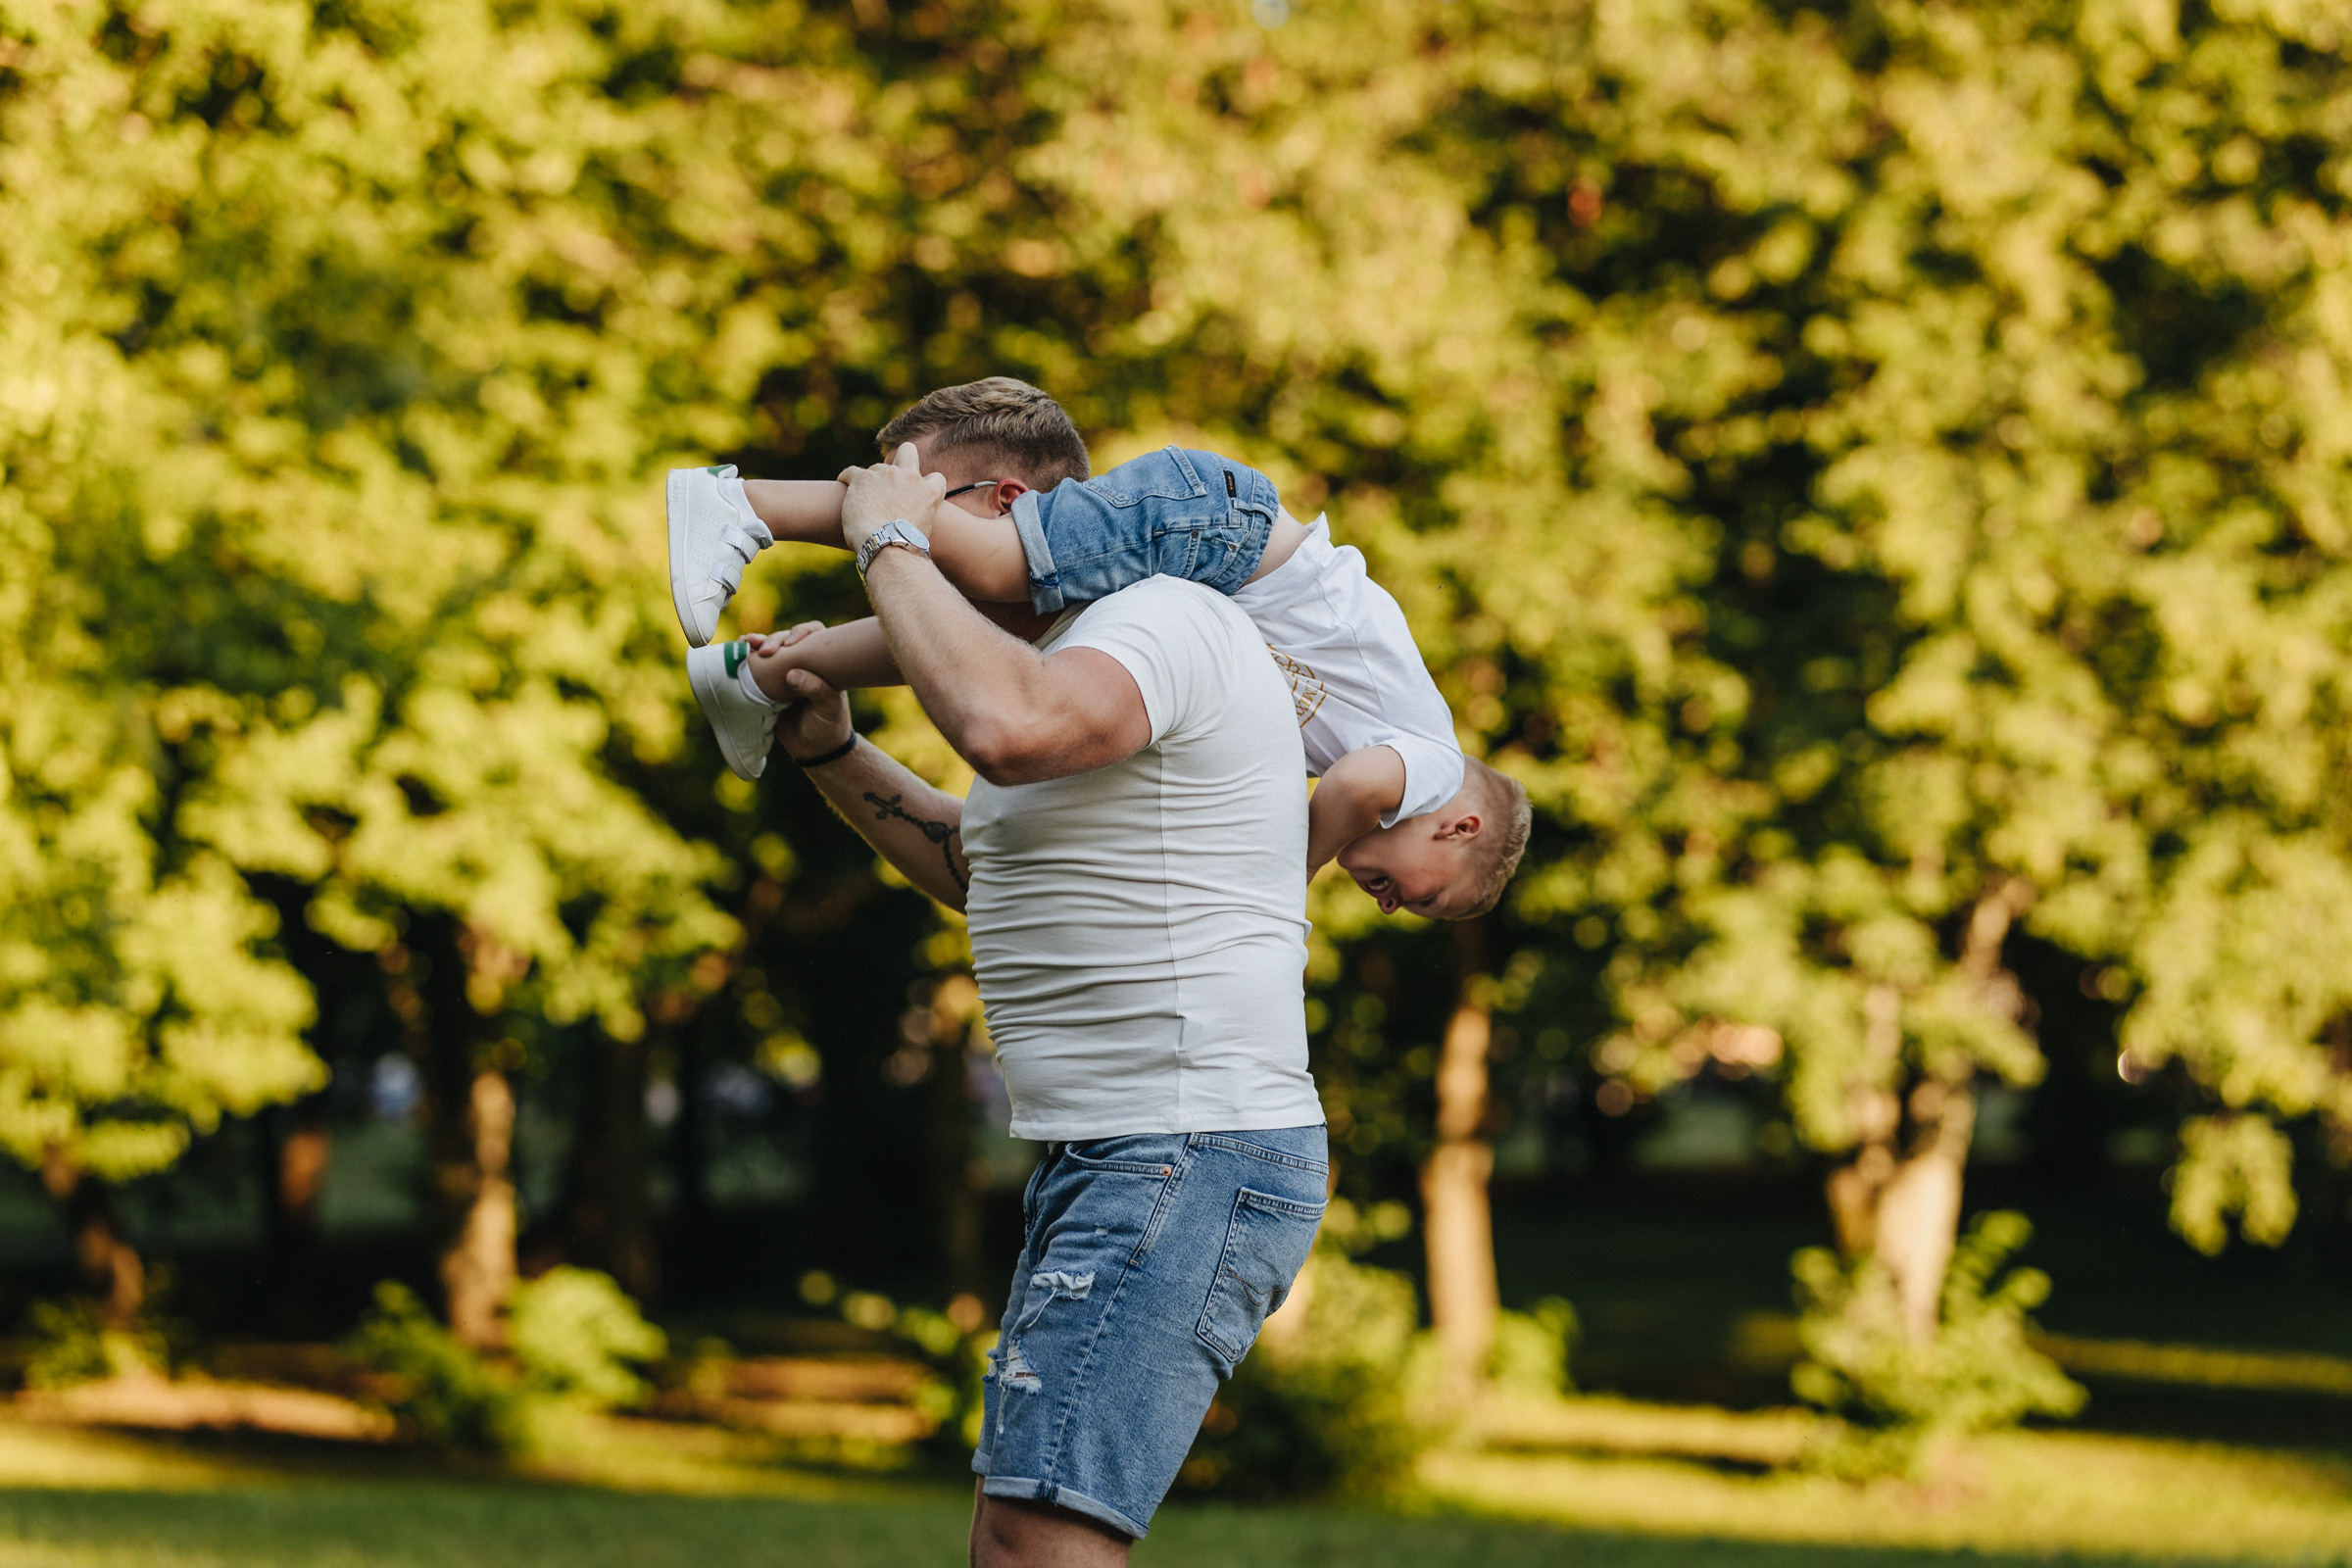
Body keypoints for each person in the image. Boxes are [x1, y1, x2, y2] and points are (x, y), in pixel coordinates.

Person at [767, 444, 1329, 1563]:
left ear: (1009, 510)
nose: (880, 541)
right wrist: (835, 753)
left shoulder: (1162, 617)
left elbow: (1008, 732)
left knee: (1038, 1546)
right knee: (1013, 1539)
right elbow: (983, 869)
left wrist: (886, 540)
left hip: (1187, 1145)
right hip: (1124, 1149)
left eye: (919, 501)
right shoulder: (1085, 658)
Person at [671, 377, 1530, 918]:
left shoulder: (1381, 741)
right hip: (1222, 527)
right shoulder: (1431, 764)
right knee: (999, 567)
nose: (1388, 909)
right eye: (1422, 898)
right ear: (1457, 828)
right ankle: (745, 504)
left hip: (1212, 545)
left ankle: (765, 674)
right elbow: (1354, 787)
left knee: (983, 625)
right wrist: (1280, 892)